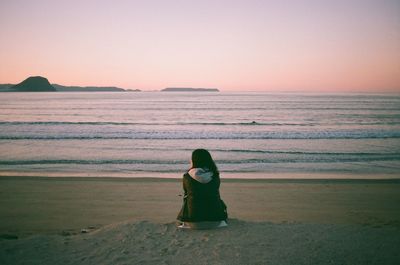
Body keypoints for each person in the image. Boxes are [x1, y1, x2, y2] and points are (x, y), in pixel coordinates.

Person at [177, 149, 228, 229]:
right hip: (216, 222)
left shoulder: (187, 176)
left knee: (188, 197)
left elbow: (186, 194)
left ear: (194, 160)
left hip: (193, 222)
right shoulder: (215, 175)